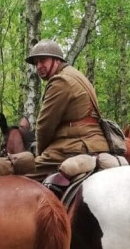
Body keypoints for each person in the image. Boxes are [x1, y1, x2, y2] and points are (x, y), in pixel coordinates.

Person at [25, 40, 110, 179]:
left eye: (43, 60)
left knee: (22, 177)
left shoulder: (60, 81)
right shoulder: (76, 75)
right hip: (96, 144)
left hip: (75, 146)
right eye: (36, 63)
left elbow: (44, 126)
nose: (39, 66)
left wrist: (40, 154)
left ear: (57, 60)